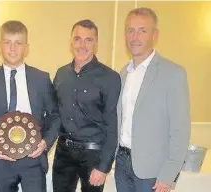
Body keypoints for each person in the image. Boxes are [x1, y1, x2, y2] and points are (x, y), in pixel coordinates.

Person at [0, 20, 61, 192]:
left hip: (34, 160)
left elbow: (55, 116)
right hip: (2, 160)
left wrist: (45, 143)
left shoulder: (41, 79)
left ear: (26, 47)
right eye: (7, 42)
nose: (12, 48)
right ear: (0, 46)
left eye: (18, 43)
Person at [115, 7, 191, 192]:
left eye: (142, 31)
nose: (135, 37)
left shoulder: (173, 73)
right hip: (122, 165)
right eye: (130, 31)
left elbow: (180, 129)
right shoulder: (122, 74)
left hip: (153, 172)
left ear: (155, 35)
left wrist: (169, 174)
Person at [52, 19, 121, 192]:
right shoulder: (61, 74)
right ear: (71, 41)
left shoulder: (110, 78)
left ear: (96, 43)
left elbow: (113, 126)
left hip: (93, 155)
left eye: (88, 40)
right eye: (77, 39)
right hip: (63, 153)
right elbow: (54, 116)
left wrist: (103, 166)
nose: (82, 45)